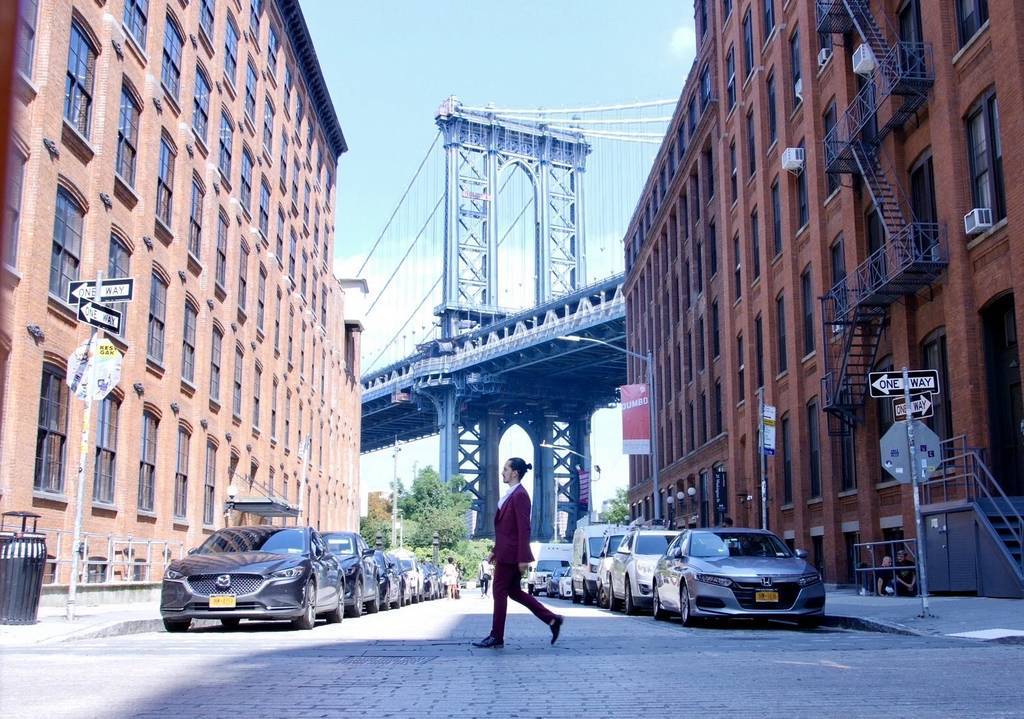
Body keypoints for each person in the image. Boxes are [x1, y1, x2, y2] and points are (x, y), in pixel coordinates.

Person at [473, 458, 564, 649]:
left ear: (515, 473)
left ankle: (496, 636)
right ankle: (553, 620)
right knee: (514, 592)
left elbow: (524, 528)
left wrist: (523, 557)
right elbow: (507, 530)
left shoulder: (520, 495)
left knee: (499, 592)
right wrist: (494, 551)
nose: (502, 472)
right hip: (506, 552)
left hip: (511, 555)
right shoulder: (511, 495)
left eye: (505, 469)